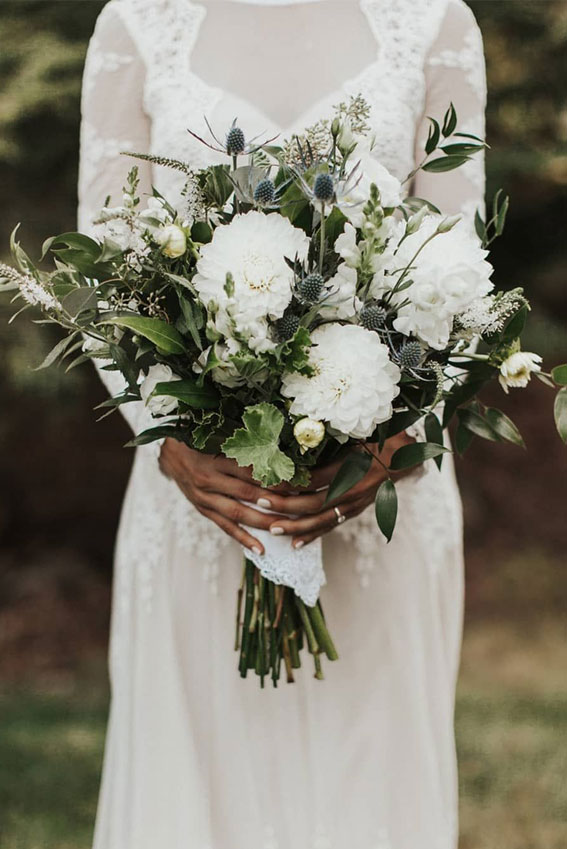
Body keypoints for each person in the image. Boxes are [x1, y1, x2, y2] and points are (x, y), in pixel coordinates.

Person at [78, 1, 486, 846]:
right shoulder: (138, 22)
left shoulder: (433, 19)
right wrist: (174, 439)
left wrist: (394, 443)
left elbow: (458, 267)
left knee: (371, 784)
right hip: (201, 500)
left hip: (377, 499)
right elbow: (104, 267)